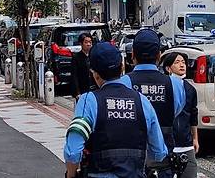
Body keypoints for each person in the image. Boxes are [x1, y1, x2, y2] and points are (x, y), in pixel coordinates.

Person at [63, 42, 167, 178]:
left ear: (94, 73)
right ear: (122, 66)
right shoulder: (142, 101)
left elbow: (73, 152)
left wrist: (71, 175)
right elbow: (158, 152)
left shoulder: (88, 100)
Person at [121, 29, 187, 178]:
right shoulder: (176, 84)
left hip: (132, 164)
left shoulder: (123, 83)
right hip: (165, 162)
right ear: (159, 56)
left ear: (132, 55)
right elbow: (176, 111)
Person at [163, 52, 199, 178]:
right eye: (177, 62)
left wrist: (195, 138)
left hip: (186, 143)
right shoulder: (163, 87)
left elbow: (193, 116)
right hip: (166, 144)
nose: (181, 65)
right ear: (168, 68)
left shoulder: (190, 89)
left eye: (183, 62)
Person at [71, 33, 96, 99]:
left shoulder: (94, 56)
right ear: (81, 43)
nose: (88, 44)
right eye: (86, 42)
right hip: (83, 88)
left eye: (90, 42)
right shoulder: (76, 57)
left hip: (94, 88)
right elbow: (74, 75)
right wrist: (77, 92)